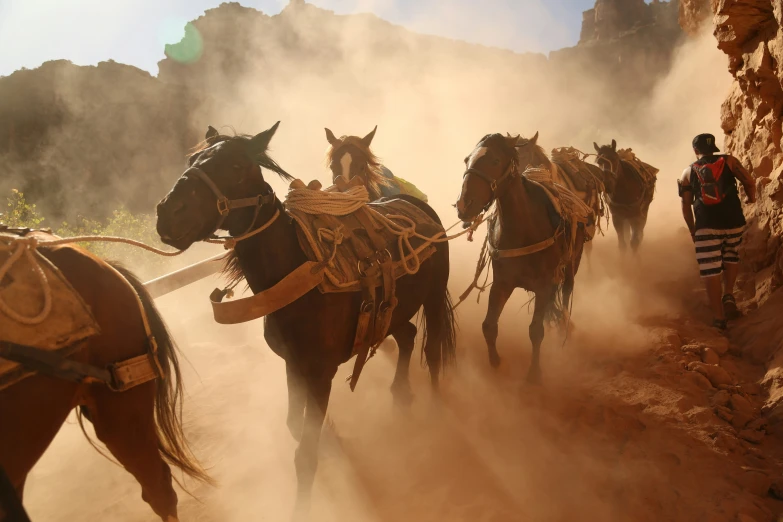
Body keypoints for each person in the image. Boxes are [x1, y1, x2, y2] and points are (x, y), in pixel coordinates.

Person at [678, 133, 756, 331]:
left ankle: (719, 317)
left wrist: (693, 230)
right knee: (731, 255)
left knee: (710, 268)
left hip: (706, 223)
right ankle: (728, 294)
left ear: (696, 150)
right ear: (714, 147)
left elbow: (686, 205)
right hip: (734, 221)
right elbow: (749, 181)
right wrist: (751, 199)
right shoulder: (729, 161)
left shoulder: (687, 172)